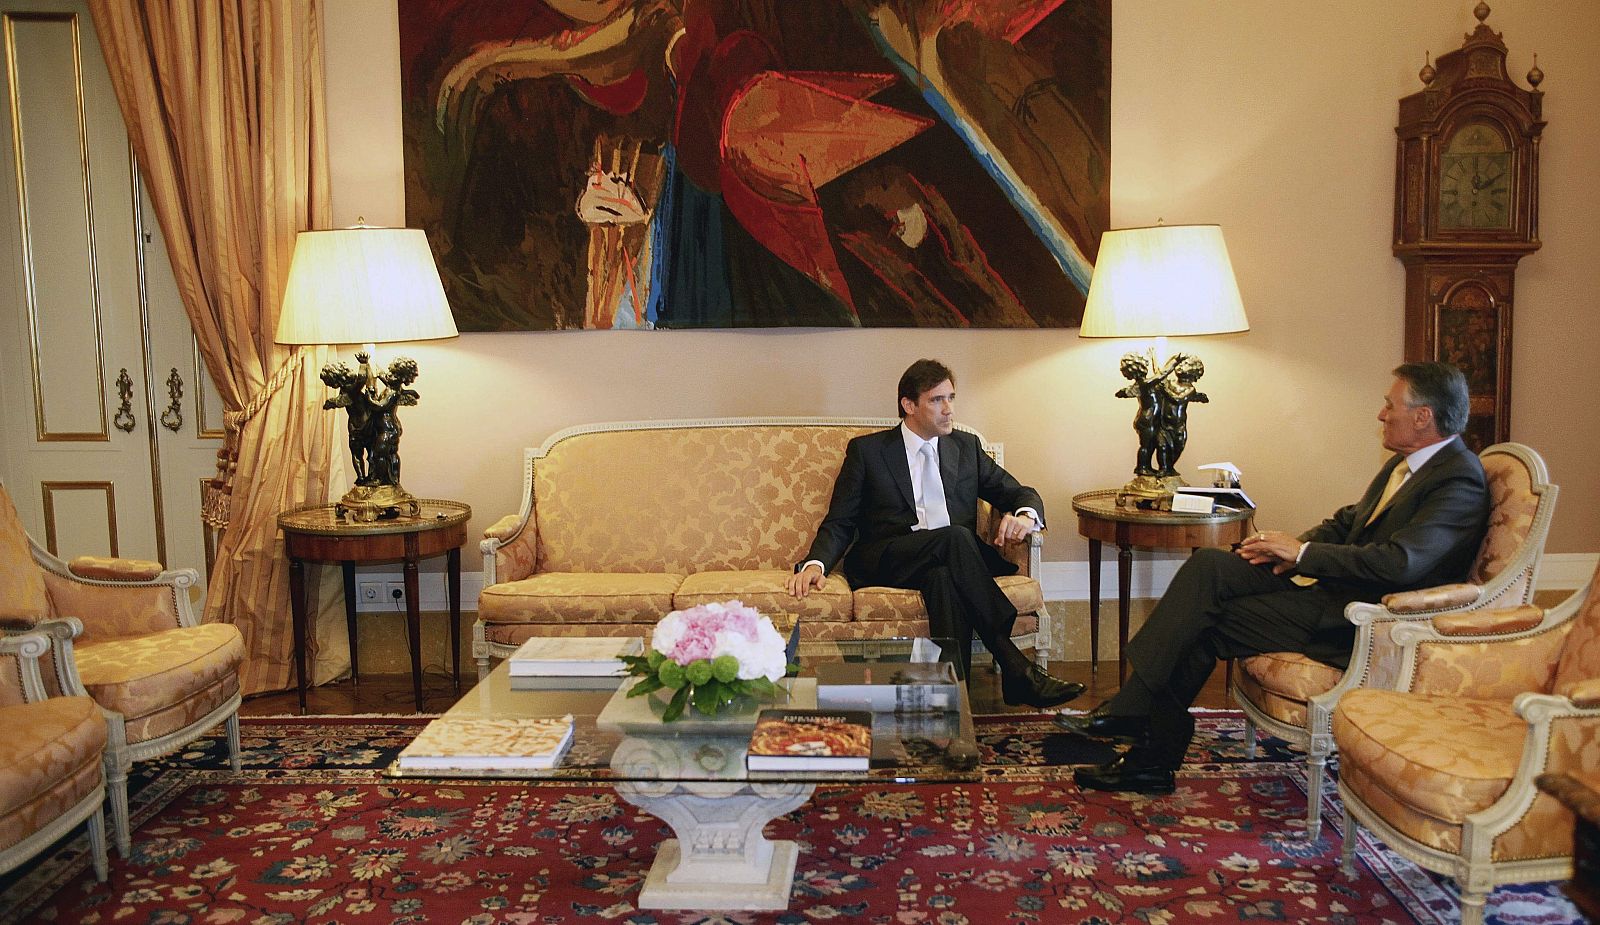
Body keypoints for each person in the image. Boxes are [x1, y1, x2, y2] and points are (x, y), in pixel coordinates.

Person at [1063, 362, 1490, 794]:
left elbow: (1402, 563)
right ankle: (1138, 728)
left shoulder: (1459, 479)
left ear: (1423, 416)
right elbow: (1348, 523)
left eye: (1390, 405)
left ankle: (1144, 747)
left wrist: (1303, 554)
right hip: (1332, 594)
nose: (1382, 414)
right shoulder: (1405, 466)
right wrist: (1283, 549)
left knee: (1203, 622)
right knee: (1211, 566)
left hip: (1363, 621)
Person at [787, 359, 1084, 708]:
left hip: (949, 561)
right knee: (955, 536)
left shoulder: (966, 447)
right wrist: (815, 564)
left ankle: (952, 704)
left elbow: (1019, 492)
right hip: (887, 557)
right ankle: (1014, 664)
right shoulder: (868, 452)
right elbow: (841, 521)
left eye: (951, 398)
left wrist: (1025, 515)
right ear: (909, 406)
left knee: (943, 575)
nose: (949, 410)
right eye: (936, 400)